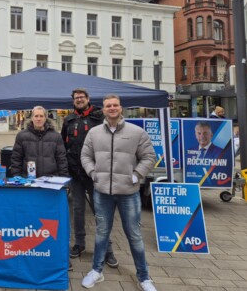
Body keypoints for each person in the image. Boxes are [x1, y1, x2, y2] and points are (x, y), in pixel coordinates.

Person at [81, 95, 157, 291]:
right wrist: (92, 173)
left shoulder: (136, 132)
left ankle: (144, 277)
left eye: (115, 105)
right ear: (103, 110)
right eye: (108, 106)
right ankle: (96, 271)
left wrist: (137, 175)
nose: (112, 108)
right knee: (101, 233)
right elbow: (85, 155)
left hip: (128, 193)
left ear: (121, 108)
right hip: (102, 192)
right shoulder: (94, 133)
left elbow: (149, 156)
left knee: (134, 235)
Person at [61, 88, 118, 268]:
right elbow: (63, 144)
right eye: (76, 98)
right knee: (78, 210)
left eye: (81, 97)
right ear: (73, 101)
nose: (79, 100)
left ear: (88, 99)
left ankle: (107, 249)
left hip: (96, 174)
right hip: (76, 174)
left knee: (100, 211)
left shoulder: (100, 117)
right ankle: (79, 244)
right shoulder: (68, 120)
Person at [10, 105, 69, 178]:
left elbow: (61, 160)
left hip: (51, 180)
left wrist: (63, 178)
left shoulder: (56, 136)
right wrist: (16, 176)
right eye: (36, 116)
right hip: (28, 180)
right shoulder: (21, 136)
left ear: (45, 118)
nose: (38, 119)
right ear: (32, 118)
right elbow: (16, 159)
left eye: (41, 116)